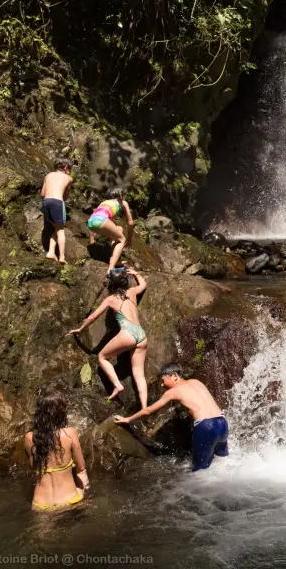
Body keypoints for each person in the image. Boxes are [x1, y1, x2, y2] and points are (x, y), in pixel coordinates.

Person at [114, 363, 228, 472]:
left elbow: (147, 411)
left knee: (200, 472)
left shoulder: (173, 391)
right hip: (222, 422)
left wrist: (127, 419)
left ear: (174, 376)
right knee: (225, 462)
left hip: (206, 426)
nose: (162, 385)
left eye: (163, 380)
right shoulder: (196, 382)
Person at [66, 266, 148, 406]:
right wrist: (136, 273)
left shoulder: (111, 299)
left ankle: (118, 385)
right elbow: (144, 285)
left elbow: (93, 317)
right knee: (139, 375)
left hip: (127, 333)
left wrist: (80, 329)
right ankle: (145, 408)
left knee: (102, 357)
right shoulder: (132, 291)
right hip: (141, 334)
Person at [24, 386, 89, 512]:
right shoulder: (70, 433)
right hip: (69, 500)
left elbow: (33, 466)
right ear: (61, 412)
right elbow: (81, 467)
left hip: (40, 505)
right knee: (83, 481)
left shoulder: (29, 437)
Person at [87, 188, 135, 273]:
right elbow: (130, 223)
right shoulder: (123, 202)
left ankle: (114, 259)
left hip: (91, 222)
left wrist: (92, 240)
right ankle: (111, 267)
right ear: (121, 195)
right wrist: (130, 238)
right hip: (102, 221)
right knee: (122, 240)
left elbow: (95, 215)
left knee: (119, 230)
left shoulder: (104, 202)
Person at [41, 157, 74, 264]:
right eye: (70, 169)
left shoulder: (48, 175)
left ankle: (51, 252)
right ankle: (62, 257)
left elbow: (42, 193)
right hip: (57, 202)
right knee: (60, 231)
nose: (70, 171)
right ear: (65, 168)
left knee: (54, 228)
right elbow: (65, 197)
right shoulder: (68, 178)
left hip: (46, 202)